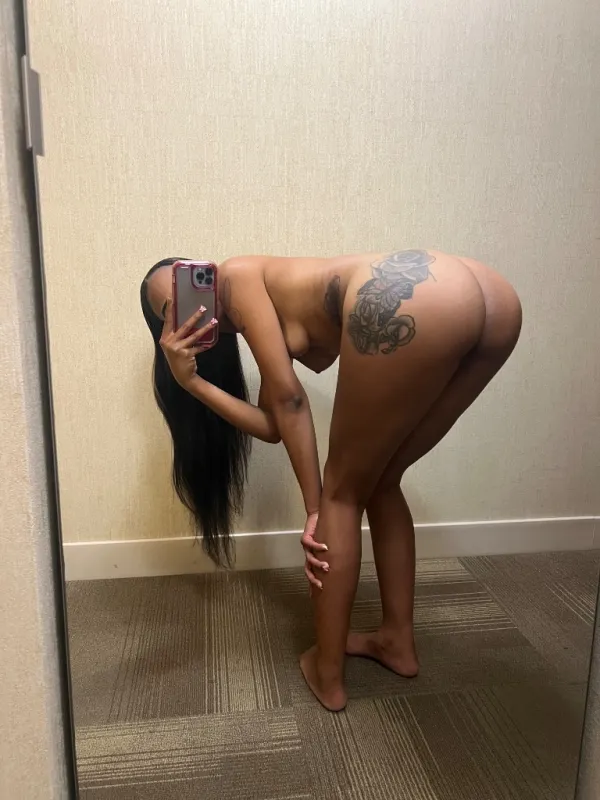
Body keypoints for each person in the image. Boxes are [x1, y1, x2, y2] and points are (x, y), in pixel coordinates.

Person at [140, 249, 522, 711]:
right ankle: (396, 642)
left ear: (202, 275)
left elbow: (291, 404)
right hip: (491, 299)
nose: (188, 309)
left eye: (183, 287)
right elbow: (273, 424)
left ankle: (327, 673)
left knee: (340, 497)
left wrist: (316, 508)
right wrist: (193, 383)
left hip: (419, 294)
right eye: (171, 309)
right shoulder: (260, 301)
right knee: (382, 480)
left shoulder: (235, 277)